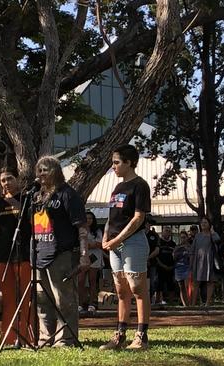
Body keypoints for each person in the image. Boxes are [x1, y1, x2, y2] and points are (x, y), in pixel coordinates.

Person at [32, 155, 90, 348]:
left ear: (56, 171)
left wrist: (83, 255)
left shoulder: (68, 194)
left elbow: (81, 227)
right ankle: (45, 337)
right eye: (39, 170)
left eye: (45, 169)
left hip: (62, 254)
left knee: (63, 299)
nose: (41, 174)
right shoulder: (37, 196)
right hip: (40, 253)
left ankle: (66, 338)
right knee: (42, 299)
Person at [100, 144, 151, 351]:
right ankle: (120, 335)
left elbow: (138, 218)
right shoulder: (117, 188)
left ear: (129, 163)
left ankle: (141, 336)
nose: (113, 167)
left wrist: (118, 239)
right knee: (121, 290)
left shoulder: (140, 185)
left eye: (116, 162)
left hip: (133, 243)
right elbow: (112, 217)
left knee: (137, 288)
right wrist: (106, 237)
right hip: (114, 245)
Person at [0, 166, 33, 345]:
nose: (6, 183)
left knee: (27, 297)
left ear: (17, 179)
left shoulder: (28, 199)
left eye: (9, 178)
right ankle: (8, 337)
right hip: (3, 256)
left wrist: (15, 202)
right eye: (3, 180)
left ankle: (29, 336)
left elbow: (32, 222)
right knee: (8, 299)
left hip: (24, 254)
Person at [191, 216, 220, 306]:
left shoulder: (212, 234)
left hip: (209, 260)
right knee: (196, 282)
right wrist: (191, 264)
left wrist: (212, 232)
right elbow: (193, 250)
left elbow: (218, 239)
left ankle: (207, 302)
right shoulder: (197, 236)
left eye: (205, 222)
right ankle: (193, 303)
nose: (203, 224)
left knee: (210, 282)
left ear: (209, 224)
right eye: (202, 222)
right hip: (198, 261)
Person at [78, 211, 103, 313]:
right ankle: (80, 303)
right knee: (81, 281)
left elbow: (99, 244)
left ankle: (92, 304)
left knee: (92, 280)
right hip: (83, 257)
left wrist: (87, 244)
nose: (88, 220)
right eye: (87, 218)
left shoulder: (97, 231)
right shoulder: (80, 229)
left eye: (90, 218)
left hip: (94, 257)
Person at [155, 226, 176, 306]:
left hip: (170, 268)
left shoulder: (173, 244)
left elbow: (176, 256)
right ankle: (157, 302)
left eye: (169, 231)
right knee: (158, 286)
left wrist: (172, 266)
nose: (167, 232)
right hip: (160, 268)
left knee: (171, 286)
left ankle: (171, 303)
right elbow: (156, 256)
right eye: (166, 230)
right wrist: (162, 265)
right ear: (162, 232)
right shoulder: (158, 242)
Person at [173, 231, 192, 306]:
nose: (183, 239)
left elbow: (191, 257)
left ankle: (189, 303)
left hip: (187, 267)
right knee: (182, 287)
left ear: (187, 238)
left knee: (187, 286)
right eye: (181, 237)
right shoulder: (177, 247)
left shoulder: (190, 247)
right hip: (178, 268)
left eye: (184, 237)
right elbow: (174, 258)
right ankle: (185, 304)